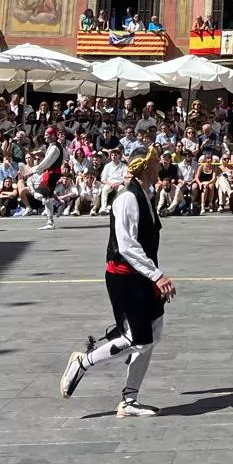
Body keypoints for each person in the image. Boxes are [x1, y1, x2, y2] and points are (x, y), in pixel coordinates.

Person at [59, 148, 176, 418]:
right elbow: (126, 245)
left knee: (153, 334)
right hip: (125, 278)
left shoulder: (144, 194)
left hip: (142, 275)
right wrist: (157, 275)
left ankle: (129, 400)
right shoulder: (127, 198)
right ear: (145, 166)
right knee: (137, 337)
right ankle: (83, 362)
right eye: (156, 162)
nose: (160, 167)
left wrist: (153, 274)